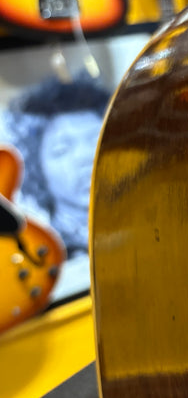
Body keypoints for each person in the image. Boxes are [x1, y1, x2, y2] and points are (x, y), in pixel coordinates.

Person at [0, 76, 110, 300]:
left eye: (95, 139)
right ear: (37, 169)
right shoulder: (46, 259)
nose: (86, 158)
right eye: (62, 149)